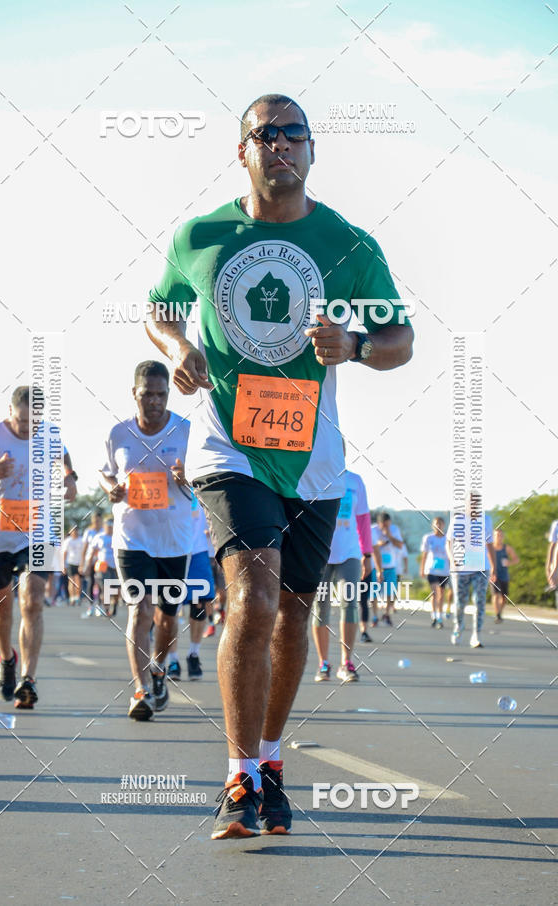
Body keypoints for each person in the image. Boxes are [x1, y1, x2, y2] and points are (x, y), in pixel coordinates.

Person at [145, 92, 413, 837]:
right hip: (228, 445)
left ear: (312, 151)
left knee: (295, 611)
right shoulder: (200, 235)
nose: (281, 145)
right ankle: (238, 779)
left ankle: (269, 764)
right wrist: (179, 349)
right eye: (265, 134)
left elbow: (401, 341)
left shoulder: (350, 245)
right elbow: (158, 308)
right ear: (244, 152)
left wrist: (355, 347)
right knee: (254, 600)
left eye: (295, 134)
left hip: (315, 459)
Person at [0, 386, 77, 707]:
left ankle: (29, 678)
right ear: (10, 413)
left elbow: (64, 456)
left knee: (33, 599)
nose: (28, 427)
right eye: (22, 420)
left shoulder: (50, 434)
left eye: (34, 421)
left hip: (41, 531)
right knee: (2, 606)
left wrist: (70, 478)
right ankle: (8, 661)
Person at [99, 361, 192, 720]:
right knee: (140, 609)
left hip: (174, 539)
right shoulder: (117, 434)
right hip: (131, 537)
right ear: (134, 393)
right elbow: (105, 474)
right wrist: (113, 489)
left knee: (167, 619)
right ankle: (139, 691)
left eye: (161, 394)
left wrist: (187, 476)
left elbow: (205, 479)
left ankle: (158, 668)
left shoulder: (186, 432)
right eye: (147, 394)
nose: (154, 401)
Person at [312, 466, 373, 683]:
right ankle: (323, 663)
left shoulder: (355, 481)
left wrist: (367, 553)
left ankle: (346, 662)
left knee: (350, 604)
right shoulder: (316, 476)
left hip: (350, 552)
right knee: (321, 607)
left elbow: (364, 519)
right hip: (320, 552)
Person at [166, 491, 213, 681]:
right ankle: (173, 660)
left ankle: (194, 654)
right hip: (169, 551)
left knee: (199, 605)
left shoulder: (199, 483)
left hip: (198, 551)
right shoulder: (163, 480)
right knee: (168, 609)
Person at [447, 493, 494, 648]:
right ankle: (458, 626)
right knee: (460, 603)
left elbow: (490, 545)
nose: (474, 506)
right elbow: (448, 543)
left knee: (479, 601)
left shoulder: (486, 520)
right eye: (471, 503)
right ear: (466, 504)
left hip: (481, 568)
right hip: (461, 568)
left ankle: (476, 635)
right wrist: (452, 558)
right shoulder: (458, 520)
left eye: (477, 503)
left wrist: (493, 567)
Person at [371, 513, 404, 627]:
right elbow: (367, 546)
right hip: (375, 566)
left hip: (390, 566)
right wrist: (379, 544)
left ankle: (386, 614)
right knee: (374, 593)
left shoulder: (394, 530)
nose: (385, 527)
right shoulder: (373, 530)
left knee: (391, 592)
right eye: (383, 525)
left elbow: (400, 545)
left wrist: (389, 535)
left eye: (387, 525)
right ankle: (375, 616)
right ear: (379, 523)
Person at [420, 517, 450, 628]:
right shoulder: (428, 538)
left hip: (444, 570)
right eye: (436, 524)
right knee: (435, 592)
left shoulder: (447, 538)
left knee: (441, 595)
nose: (439, 526)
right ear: (433, 525)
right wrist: (422, 569)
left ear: (444, 525)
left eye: (441, 524)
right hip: (431, 570)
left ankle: (439, 616)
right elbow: (424, 554)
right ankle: (434, 616)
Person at [88, 518, 119, 617]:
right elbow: (92, 552)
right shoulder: (99, 537)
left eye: (111, 525)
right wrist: (88, 565)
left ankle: (114, 604)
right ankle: (106, 608)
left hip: (116, 567)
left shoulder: (118, 536)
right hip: (103, 566)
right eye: (107, 525)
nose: (109, 527)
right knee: (106, 588)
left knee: (116, 589)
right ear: (104, 526)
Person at [491, 528, 518, 622]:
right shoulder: (489, 549)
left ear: (503, 537)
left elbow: (516, 559)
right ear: (493, 537)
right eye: (497, 535)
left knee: (504, 597)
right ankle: (497, 615)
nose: (499, 537)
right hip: (493, 575)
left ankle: (499, 613)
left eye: (500, 535)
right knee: (496, 595)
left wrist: (509, 563)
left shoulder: (507, 548)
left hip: (504, 575)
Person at [80, 512, 102, 614]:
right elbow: (84, 549)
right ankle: (90, 606)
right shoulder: (88, 532)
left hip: (102, 562)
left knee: (102, 583)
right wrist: (82, 563)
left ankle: (100, 606)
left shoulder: (104, 531)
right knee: (90, 582)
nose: (96, 523)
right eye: (94, 521)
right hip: (90, 561)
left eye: (98, 520)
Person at [63, 525, 84, 605]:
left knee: (78, 580)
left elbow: (83, 553)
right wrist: (63, 565)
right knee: (71, 581)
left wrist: (83, 563)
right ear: (70, 532)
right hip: (70, 562)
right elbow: (64, 553)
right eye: (73, 531)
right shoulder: (68, 541)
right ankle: (72, 597)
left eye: (76, 530)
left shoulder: (81, 540)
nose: (74, 532)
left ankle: (77, 597)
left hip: (79, 563)